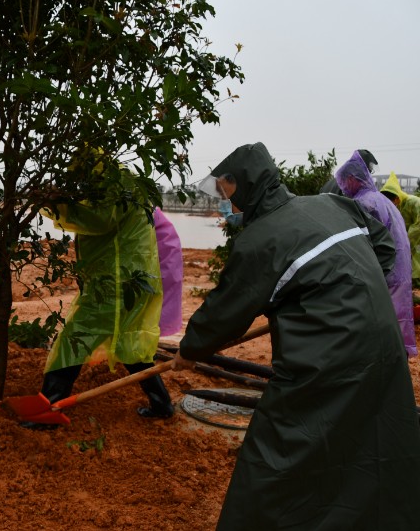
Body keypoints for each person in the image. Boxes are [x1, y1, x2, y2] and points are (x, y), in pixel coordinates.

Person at [173, 142, 420, 530]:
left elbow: (225, 312)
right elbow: (384, 250)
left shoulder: (262, 239)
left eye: (228, 193)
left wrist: (190, 350)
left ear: (248, 186)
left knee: (279, 450)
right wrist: (327, 292)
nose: (227, 204)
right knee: (369, 441)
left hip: (329, 360)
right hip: (383, 345)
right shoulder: (332, 205)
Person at [20, 151, 182, 430]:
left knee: (75, 338)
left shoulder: (116, 183)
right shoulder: (119, 179)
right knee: (130, 346)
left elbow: (98, 218)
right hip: (126, 280)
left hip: (116, 284)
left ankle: (49, 407)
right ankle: (162, 404)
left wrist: (56, 202)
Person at [335, 151, 416, 357]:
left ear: (353, 179)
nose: (343, 187)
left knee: (380, 326)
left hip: (386, 274)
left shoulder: (364, 203)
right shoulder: (381, 200)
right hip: (399, 272)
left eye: (345, 181)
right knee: (395, 322)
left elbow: (361, 246)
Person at [381, 171, 420, 288]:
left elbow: (418, 225)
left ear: (397, 198)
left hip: (415, 247)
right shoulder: (396, 208)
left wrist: (405, 242)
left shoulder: (415, 202)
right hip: (408, 249)